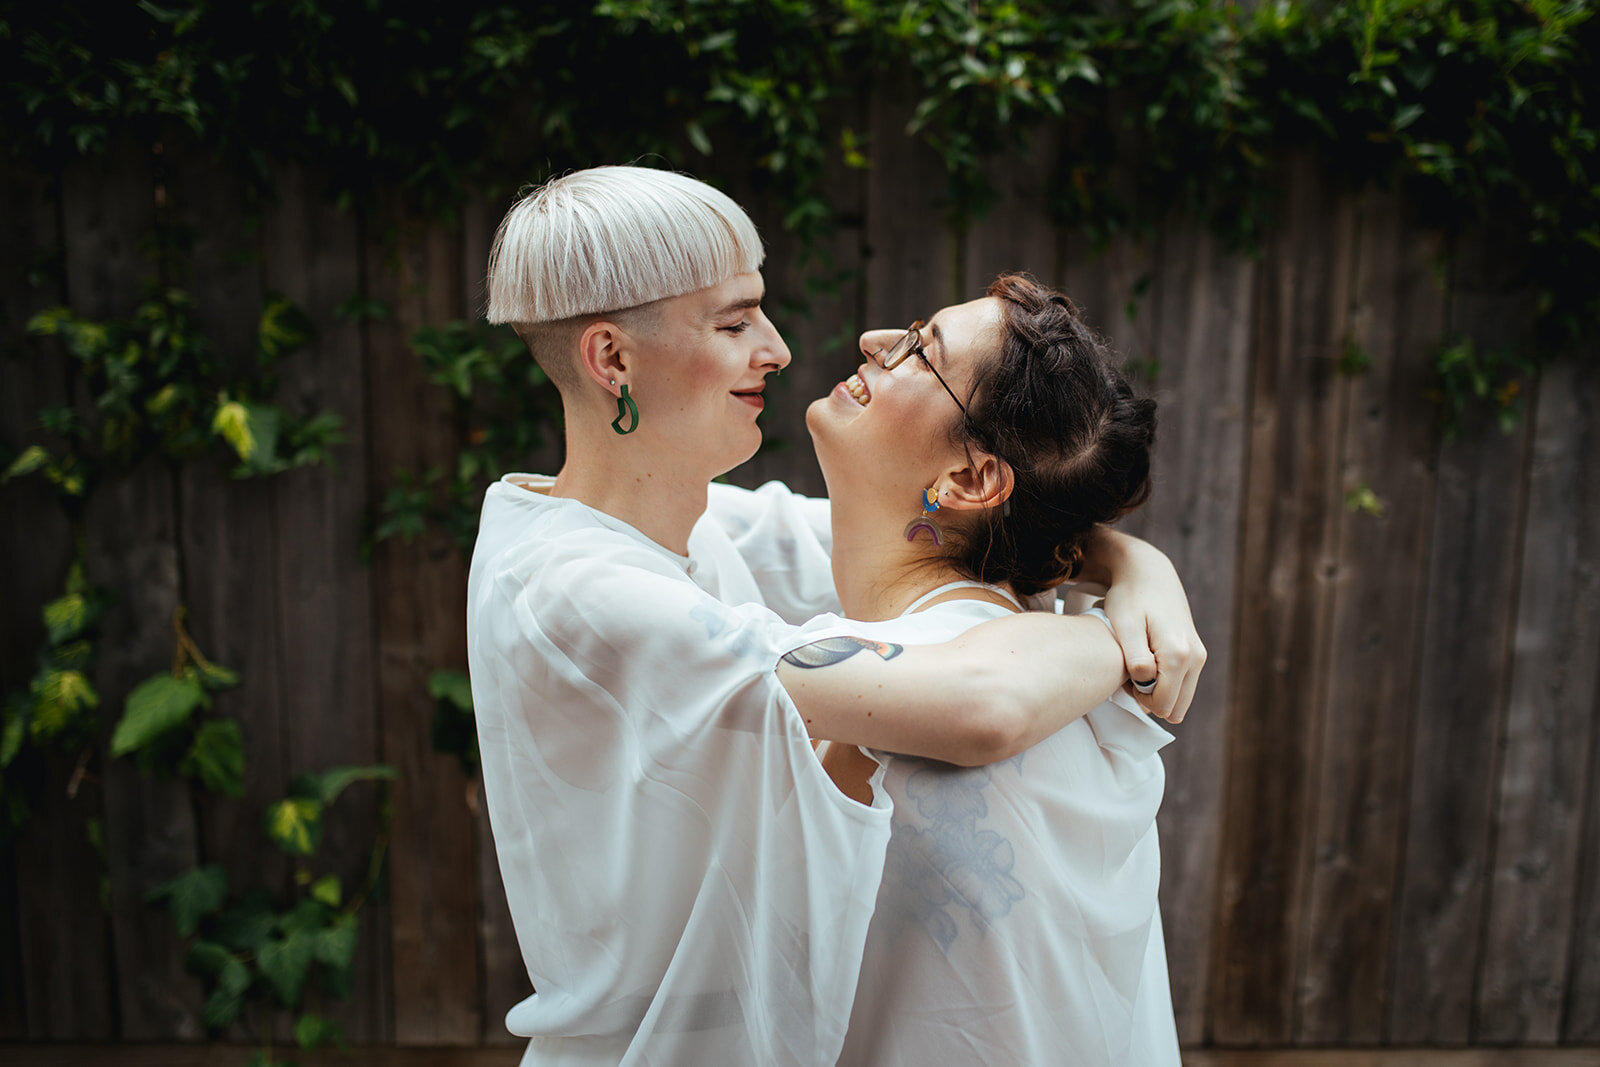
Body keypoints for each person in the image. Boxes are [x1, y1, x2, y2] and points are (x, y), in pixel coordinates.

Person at [468, 165, 1204, 1065]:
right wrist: (1111, 638)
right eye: (734, 323)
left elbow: (906, 535)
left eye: (759, 312)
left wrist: (1135, 561)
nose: (782, 349)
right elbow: (981, 700)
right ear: (612, 358)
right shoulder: (577, 586)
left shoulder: (685, 517)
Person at [807, 274, 1180, 1065]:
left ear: (971, 481)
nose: (877, 340)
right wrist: (1128, 558)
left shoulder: (917, 691)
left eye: (920, 349)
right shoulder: (1040, 647)